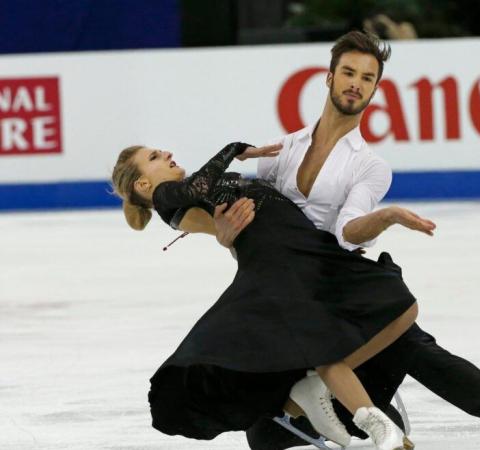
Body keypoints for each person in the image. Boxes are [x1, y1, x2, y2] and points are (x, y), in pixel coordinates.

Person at [211, 30, 480, 450]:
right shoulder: (284, 149)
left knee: (408, 341)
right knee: (262, 433)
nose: (355, 84)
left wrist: (385, 217)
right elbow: (260, 229)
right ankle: (377, 414)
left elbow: (347, 231)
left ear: (375, 90)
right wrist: (226, 237)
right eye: (348, 72)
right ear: (328, 78)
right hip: (293, 300)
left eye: (367, 78)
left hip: (340, 284)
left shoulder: (369, 165)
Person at [110, 141, 419, 450]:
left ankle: (316, 387)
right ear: (143, 184)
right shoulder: (167, 197)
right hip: (280, 258)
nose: (166, 153)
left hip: (305, 247)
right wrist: (231, 149)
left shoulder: (189, 194)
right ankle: (381, 430)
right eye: (154, 157)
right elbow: (201, 198)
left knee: (402, 306)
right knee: (326, 343)